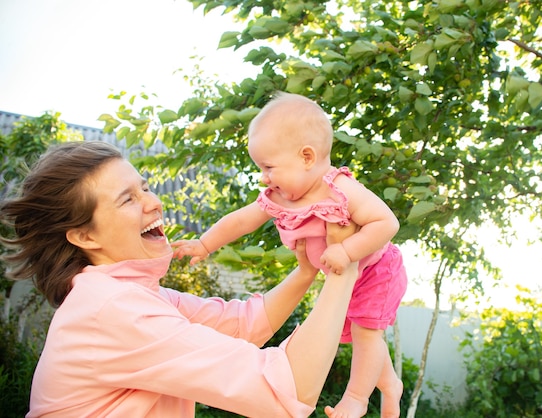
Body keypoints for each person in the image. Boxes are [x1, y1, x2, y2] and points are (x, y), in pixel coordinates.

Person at [0, 140, 361, 418]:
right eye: (128, 200)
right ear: (84, 236)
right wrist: (345, 264)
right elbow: (287, 390)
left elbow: (244, 324)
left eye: (144, 187)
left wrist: (307, 271)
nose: (154, 202)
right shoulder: (114, 309)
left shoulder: (130, 295)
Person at [172, 92, 408, 418]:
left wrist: (347, 249)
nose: (263, 177)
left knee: (366, 331)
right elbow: (242, 219)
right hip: (342, 274)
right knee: (357, 333)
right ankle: (391, 384)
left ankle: (356, 397)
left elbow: (386, 222)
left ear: (307, 157)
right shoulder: (279, 197)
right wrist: (205, 243)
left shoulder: (339, 189)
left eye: (269, 167)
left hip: (379, 267)